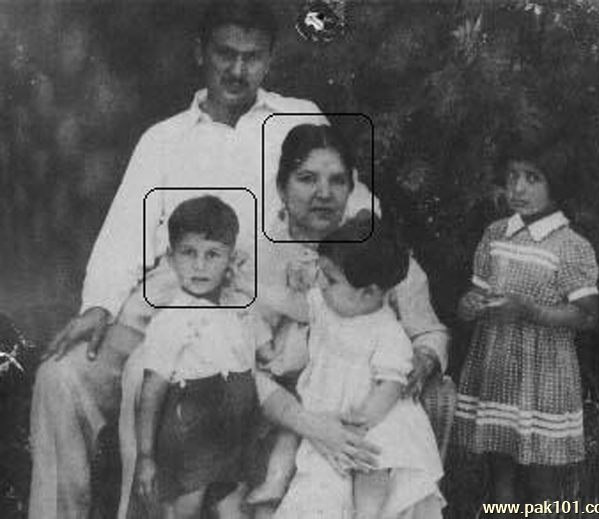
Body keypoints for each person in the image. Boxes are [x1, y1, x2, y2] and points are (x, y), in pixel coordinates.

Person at [28, 2, 374, 518]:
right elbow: (124, 235)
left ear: (270, 58)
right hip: (165, 303)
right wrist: (98, 304)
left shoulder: (296, 117)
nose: (237, 70)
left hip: (255, 312)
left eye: (252, 57)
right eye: (225, 54)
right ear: (200, 52)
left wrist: (330, 285)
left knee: (153, 378)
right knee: (60, 378)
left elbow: (356, 204)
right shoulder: (164, 139)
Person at [247, 124, 449, 519]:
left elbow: (428, 330)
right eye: (307, 178)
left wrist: (421, 360)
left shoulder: (376, 253)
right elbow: (237, 361)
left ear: (351, 186)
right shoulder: (257, 257)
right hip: (275, 416)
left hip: (361, 414)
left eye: (337, 180)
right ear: (282, 187)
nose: (324, 193)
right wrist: (308, 423)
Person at [454, 140, 599, 513]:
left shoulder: (570, 245)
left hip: (544, 375)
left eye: (532, 178)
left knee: (541, 478)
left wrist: (529, 310)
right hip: (497, 368)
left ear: (557, 185)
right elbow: (478, 290)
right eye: (512, 176)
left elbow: (586, 315)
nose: (517, 188)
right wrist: (470, 304)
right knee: (500, 467)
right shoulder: (496, 233)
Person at [132, 195, 269, 519]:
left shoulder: (240, 305)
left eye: (213, 254)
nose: (199, 265)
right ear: (171, 258)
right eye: (188, 253)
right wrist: (146, 455)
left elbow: (265, 352)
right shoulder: (171, 319)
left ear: (231, 258)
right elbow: (151, 390)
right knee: (186, 509)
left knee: (236, 506)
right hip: (190, 429)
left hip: (236, 426)